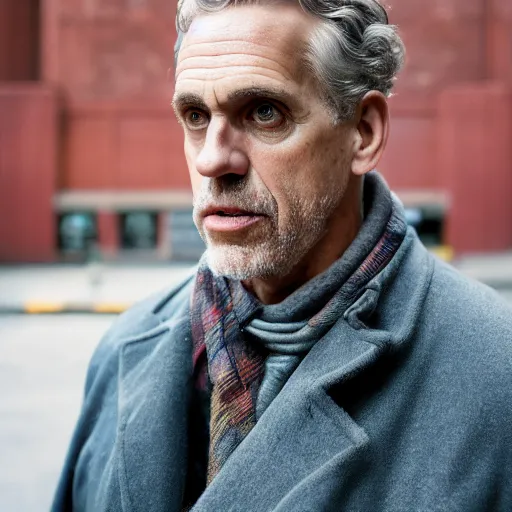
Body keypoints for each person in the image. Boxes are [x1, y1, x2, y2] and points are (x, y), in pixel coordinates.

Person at [52, 1, 512, 510]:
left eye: (264, 112)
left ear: (364, 132)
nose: (212, 158)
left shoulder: (495, 373)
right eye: (195, 116)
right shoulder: (124, 347)